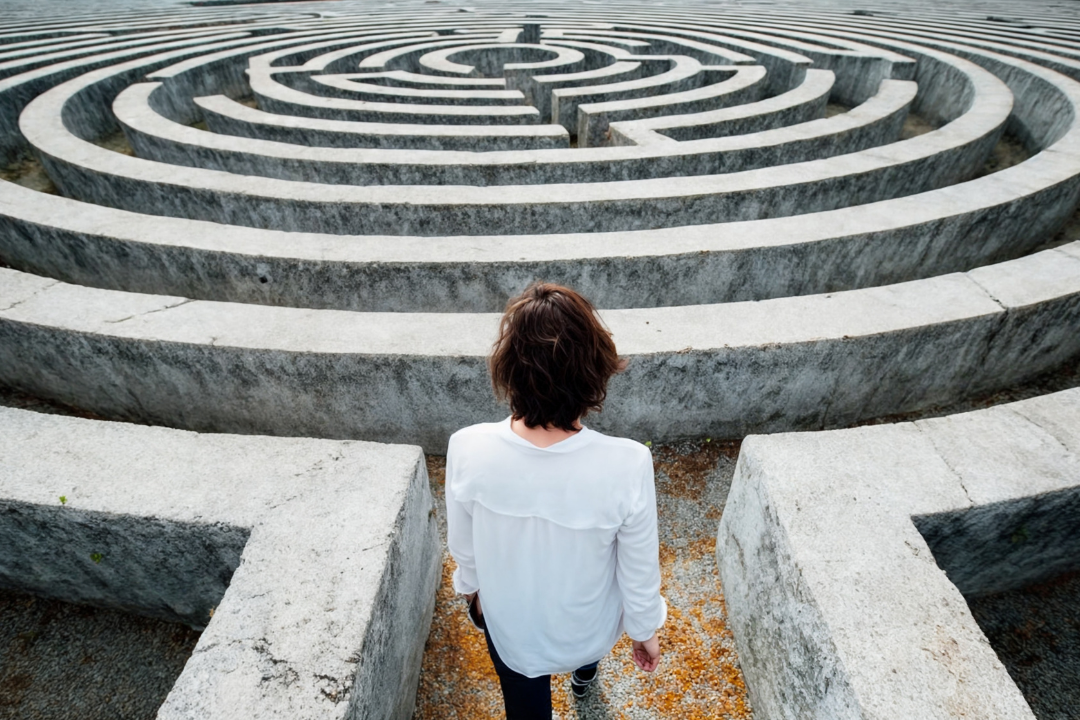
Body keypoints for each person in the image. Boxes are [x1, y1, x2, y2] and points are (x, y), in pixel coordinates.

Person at [445, 282, 666, 719]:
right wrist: (644, 630)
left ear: (508, 368)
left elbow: (463, 545)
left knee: (526, 710)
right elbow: (638, 568)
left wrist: (472, 594)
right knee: (587, 626)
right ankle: (584, 676)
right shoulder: (628, 462)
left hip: (512, 628)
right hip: (587, 627)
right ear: (596, 370)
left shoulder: (467, 446)